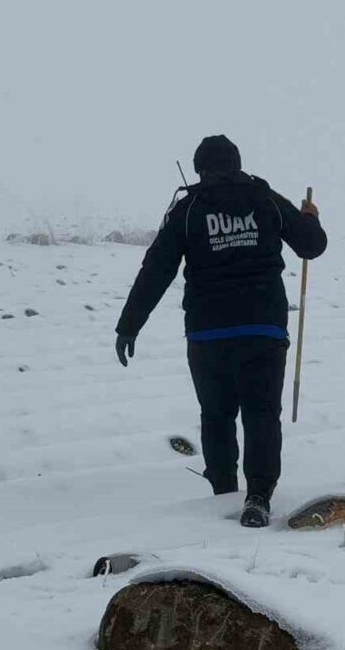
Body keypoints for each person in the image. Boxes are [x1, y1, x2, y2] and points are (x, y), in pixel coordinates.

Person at [115, 135, 328, 527]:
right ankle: (258, 498)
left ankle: (224, 494)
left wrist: (129, 326)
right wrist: (310, 217)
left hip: (208, 335)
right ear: (237, 163)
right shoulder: (265, 200)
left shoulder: (189, 208)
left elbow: (156, 269)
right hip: (263, 330)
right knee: (262, 415)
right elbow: (312, 245)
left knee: (216, 416)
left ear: (200, 169)